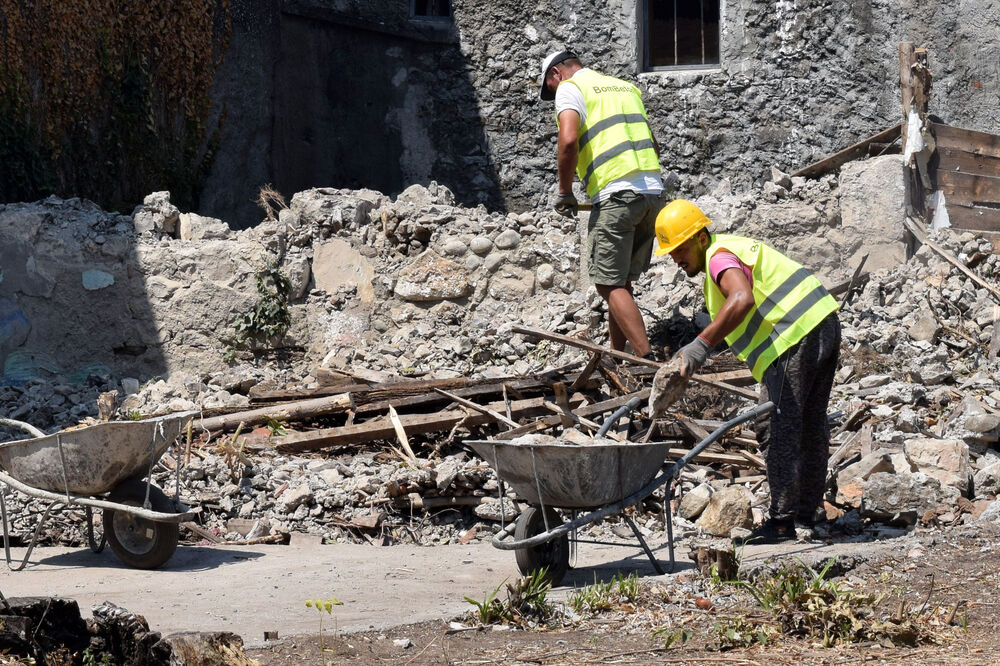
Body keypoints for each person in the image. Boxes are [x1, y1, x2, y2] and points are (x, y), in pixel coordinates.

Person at [654, 199, 841, 543]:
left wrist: (700, 347)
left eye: (679, 248)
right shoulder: (731, 248)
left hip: (792, 335)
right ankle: (805, 515)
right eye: (670, 252)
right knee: (810, 425)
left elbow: (741, 299)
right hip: (822, 320)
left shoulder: (718, 257)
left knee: (777, 426)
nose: (675, 259)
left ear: (699, 237)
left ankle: (784, 522)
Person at [538, 50, 664, 358]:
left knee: (607, 284)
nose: (554, 93)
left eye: (550, 87)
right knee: (620, 282)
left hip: (616, 194)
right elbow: (653, 142)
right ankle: (617, 355)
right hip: (652, 193)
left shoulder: (571, 88)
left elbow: (568, 140)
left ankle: (647, 361)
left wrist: (565, 191)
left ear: (557, 74)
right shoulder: (624, 87)